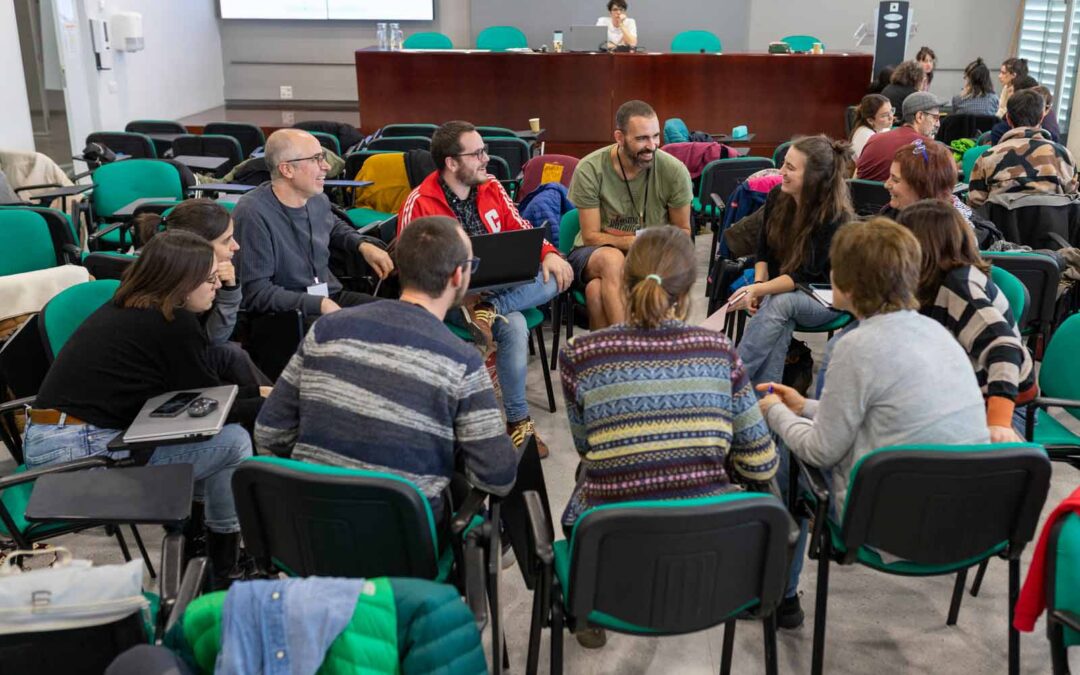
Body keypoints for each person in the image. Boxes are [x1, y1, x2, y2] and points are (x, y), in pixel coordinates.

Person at [757, 218, 990, 618]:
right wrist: (805, 407)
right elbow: (890, 410)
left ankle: (778, 597)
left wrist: (775, 412)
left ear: (845, 285)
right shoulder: (938, 334)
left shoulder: (855, 345)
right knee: (794, 428)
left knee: (782, 455)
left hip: (884, 526)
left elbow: (820, 449)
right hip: (966, 525)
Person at [559, 227, 779, 644]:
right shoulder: (720, 353)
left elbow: (588, 447)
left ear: (623, 282)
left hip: (610, 542)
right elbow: (760, 462)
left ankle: (592, 610)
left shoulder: (581, 355)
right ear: (688, 290)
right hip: (711, 548)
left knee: (590, 475)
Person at [22, 231, 265, 588]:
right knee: (233, 443)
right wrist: (264, 398)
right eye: (210, 279)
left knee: (218, 443)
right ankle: (222, 566)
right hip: (76, 453)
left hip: (60, 436)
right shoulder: (170, 323)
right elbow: (207, 405)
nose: (216, 286)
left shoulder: (138, 307)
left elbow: (189, 397)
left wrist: (256, 393)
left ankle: (203, 556)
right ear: (181, 282)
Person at [254, 216, 519, 519]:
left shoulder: (325, 330)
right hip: (407, 544)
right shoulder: (462, 361)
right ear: (458, 276)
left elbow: (269, 433)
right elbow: (497, 477)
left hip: (308, 531)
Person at [397, 120, 571, 457]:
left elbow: (521, 229)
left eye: (484, 151)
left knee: (557, 274)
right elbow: (411, 273)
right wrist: (461, 293)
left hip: (496, 288)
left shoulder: (491, 187)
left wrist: (548, 253)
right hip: (448, 296)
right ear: (451, 162)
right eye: (477, 153)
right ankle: (519, 421)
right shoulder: (419, 201)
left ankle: (489, 311)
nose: (486, 159)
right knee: (517, 324)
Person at [896, 200, 1036, 441]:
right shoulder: (932, 283)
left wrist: (999, 422)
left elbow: (1005, 347)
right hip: (960, 397)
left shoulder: (960, 287)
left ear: (923, 246)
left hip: (1003, 407)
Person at [732, 135, 854, 388]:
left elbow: (803, 276)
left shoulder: (834, 216)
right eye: (784, 163)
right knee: (781, 316)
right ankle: (766, 405)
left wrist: (759, 290)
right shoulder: (778, 195)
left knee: (781, 302)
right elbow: (763, 250)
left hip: (826, 297)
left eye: (790, 167)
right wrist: (758, 284)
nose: (781, 172)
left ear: (813, 177)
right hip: (782, 290)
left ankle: (730, 380)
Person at [233, 128, 393, 318]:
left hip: (327, 297)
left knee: (399, 315)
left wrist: (362, 244)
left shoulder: (316, 199)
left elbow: (331, 224)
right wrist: (319, 304)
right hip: (288, 315)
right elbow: (257, 292)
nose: (326, 166)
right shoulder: (253, 212)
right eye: (315, 159)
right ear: (287, 169)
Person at [567, 99, 693, 329]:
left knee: (595, 293)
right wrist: (638, 240)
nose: (652, 145)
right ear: (619, 137)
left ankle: (609, 361)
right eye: (642, 138)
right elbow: (591, 237)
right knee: (612, 259)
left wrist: (638, 243)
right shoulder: (590, 169)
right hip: (593, 254)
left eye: (655, 136)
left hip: (651, 258)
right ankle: (632, 350)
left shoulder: (674, 171)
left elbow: (683, 232)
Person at [135, 199, 270, 386]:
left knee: (230, 353)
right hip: (163, 374)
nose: (236, 246)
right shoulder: (174, 292)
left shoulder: (179, 268)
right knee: (231, 353)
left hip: (180, 360)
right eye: (226, 240)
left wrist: (230, 287)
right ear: (196, 246)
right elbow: (210, 341)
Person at [968, 89, 1079, 208]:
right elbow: (1072, 202)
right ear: (1042, 117)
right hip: (1054, 226)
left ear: (1008, 119)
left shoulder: (987, 158)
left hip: (999, 226)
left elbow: (975, 206)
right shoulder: (1065, 155)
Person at [855, 90, 943, 182]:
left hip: (861, 195)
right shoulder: (925, 146)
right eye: (935, 118)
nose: (938, 124)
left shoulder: (874, 138)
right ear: (919, 116)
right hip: (894, 195)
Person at [988, 75, 1061, 144]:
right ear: (1042, 116)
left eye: (1011, 91)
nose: (1008, 94)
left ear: (1008, 118)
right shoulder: (1056, 145)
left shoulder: (999, 132)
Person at [849, 94, 894, 159]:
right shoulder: (865, 136)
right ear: (870, 120)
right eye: (884, 115)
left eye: (891, 111)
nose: (891, 117)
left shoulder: (882, 128)